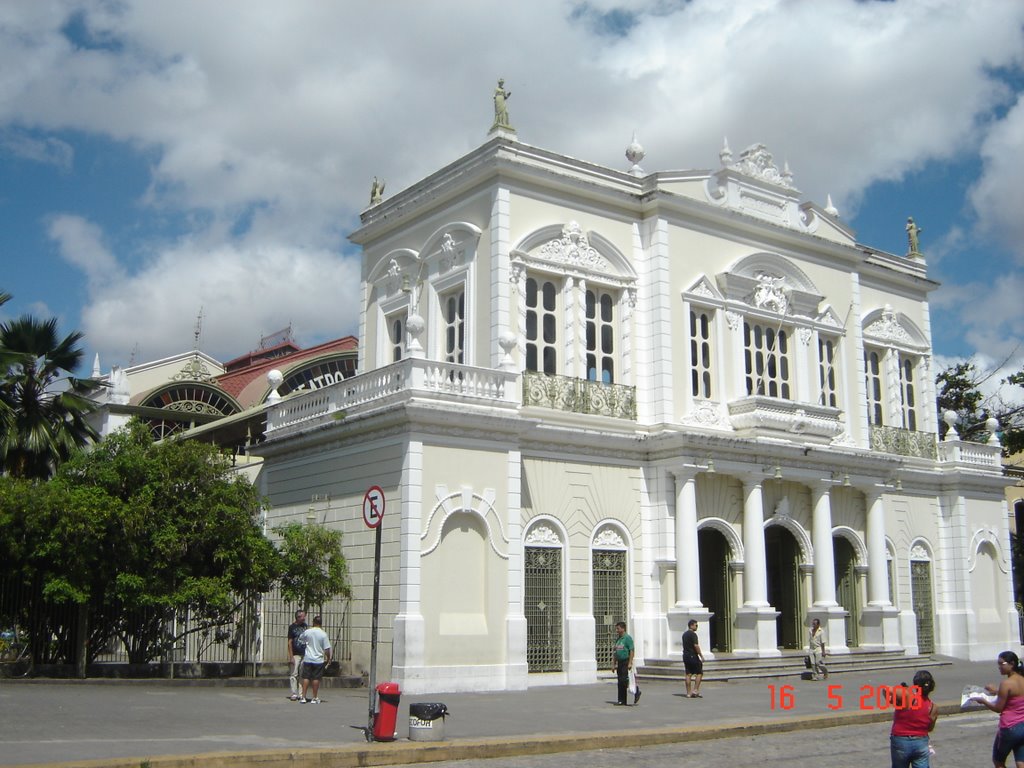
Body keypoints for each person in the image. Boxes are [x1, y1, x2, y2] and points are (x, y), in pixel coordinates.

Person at [978, 650, 1024, 767]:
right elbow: (1015, 696)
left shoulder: (1006, 683)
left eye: (1001, 664)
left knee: (998, 761)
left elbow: (998, 708)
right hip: (1022, 725)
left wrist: (983, 701)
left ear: (1012, 664)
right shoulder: (1022, 679)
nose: (999, 667)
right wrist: (996, 691)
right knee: (1021, 761)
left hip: (1009, 727)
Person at [890, 669, 938, 768]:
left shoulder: (907, 698)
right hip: (920, 742)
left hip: (900, 741)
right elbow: (929, 728)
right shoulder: (933, 707)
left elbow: (890, 696)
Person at [298, 615, 332, 704]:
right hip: (318, 659)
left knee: (306, 677)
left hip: (308, 658)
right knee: (316, 678)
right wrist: (328, 658)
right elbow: (327, 649)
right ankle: (314, 697)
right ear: (321, 624)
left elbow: (301, 638)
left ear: (313, 622)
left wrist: (306, 644)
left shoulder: (308, 632)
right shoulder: (323, 634)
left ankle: (303, 697)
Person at [612, 621, 640, 705]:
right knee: (620, 681)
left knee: (624, 680)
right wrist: (613, 664)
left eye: (618, 628)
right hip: (620, 662)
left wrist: (630, 662)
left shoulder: (627, 638)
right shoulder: (618, 639)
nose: (616, 630)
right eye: (616, 629)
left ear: (623, 629)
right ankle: (621, 700)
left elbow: (631, 650)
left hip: (626, 661)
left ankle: (636, 690)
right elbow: (615, 652)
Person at [286, 609, 307, 701]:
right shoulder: (292, 627)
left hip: (304, 653)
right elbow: (289, 642)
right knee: (294, 673)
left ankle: (301, 693)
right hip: (295, 653)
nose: (304, 618)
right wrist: (291, 656)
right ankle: (294, 693)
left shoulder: (305, 626)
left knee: (302, 674)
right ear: (298, 617)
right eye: (302, 616)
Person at [681, 619, 705, 698]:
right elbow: (696, 645)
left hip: (686, 655)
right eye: (696, 625)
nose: (697, 627)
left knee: (688, 674)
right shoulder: (693, 634)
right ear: (691, 625)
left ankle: (688, 693)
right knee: (699, 673)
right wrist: (701, 655)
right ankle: (695, 690)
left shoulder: (684, 634)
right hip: (692, 655)